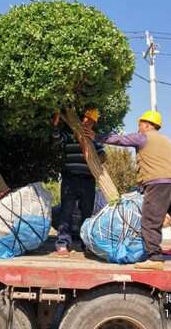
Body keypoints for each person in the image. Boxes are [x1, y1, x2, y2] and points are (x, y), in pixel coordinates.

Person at [84, 110, 171, 271]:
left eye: (140, 124)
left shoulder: (143, 136)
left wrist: (96, 136)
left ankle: (154, 258)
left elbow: (120, 140)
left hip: (158, 184)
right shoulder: (168, 141)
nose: (138, 127)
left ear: (147, 124)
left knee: (149, 222)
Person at [52, 109, 106, 257]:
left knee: (87, 213)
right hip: (71, 179)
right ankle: (62, 244)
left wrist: (99, 157)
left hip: (88, 181)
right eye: (85, 119)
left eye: (91, 121)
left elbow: (103, 156)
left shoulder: (93, 139)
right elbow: (57, 139)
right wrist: (56, 125)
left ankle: (86, 244)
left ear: (93, 123)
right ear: (81, 119)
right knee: (66, 211)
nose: (87, 122)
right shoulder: (70, 135)